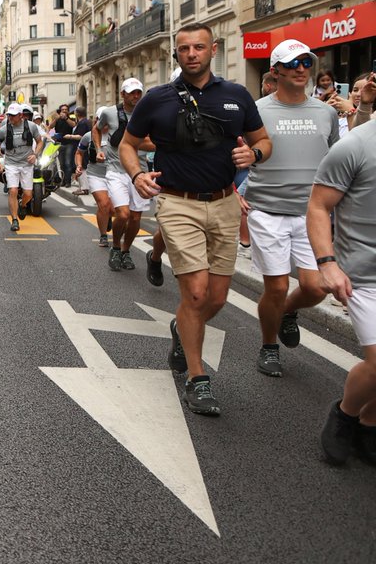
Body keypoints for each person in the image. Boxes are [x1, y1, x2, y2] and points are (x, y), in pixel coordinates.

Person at [120, 22, 271, 416]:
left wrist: (254, 155)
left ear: (213, 50)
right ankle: (196, 377)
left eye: (199, 47)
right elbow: (127, 144)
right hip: (178, 203)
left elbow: (263, 140)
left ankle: (181, 326)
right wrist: (136, 175)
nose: (191, 54)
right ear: (176, 53)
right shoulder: (157, 99)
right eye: (184, 48)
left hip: (224, 202)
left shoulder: (237, 95)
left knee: (216, 299)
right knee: (198, 294)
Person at [240, 40, 338, 380]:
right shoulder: (256, 112)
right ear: (275, 71)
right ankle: (269, 346)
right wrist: (233, 191)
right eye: (292, 63)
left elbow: (337, 161)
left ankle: (285, 313)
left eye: (306, 63)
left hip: (312, 214)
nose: (301, 69)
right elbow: (233, 153)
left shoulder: (326, 113)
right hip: (267, 211)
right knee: (277, 287)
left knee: (316, 287)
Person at [309, 111, 376, 464]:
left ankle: (369, 423)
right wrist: (327, 264)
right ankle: (346, 414)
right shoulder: (355, 145)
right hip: (365, 275)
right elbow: (319, 206)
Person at [97, 78, 154, 272]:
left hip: (140, 172)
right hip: (116, 170)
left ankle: (125, 250)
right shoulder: (109, 113)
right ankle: (115, 247)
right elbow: (96, 129)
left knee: (136, 219)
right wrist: (99, 149)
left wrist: (134, 143)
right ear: (122, 94)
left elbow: (153, 142)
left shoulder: (148, 114)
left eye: (138, 92)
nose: (136, 96)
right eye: (131, 93)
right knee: (123, 213)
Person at [0, 103, 44, 232]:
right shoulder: (4, 129)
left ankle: (23, 204)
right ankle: (14, 220)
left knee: (28, 194)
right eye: (9, 115)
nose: (10, 117)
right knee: (13, 190)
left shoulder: (31, 126)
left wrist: (35, 155)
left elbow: (40, 142)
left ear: (21, 115)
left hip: (27, 164)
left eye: (13, 115)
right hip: (11, 164)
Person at [80, 108, 113, 246]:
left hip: (114, 174)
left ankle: (108, 216)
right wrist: (79, 166)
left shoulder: (118, 134)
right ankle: (103, 235)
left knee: (112, 208)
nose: (104, 123)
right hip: (95, 175)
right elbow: (79, 152)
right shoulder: (88, 136)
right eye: (101, 120)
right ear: (97, 120)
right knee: (103, 204)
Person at [53, 104, 76, 187]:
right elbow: (50, 126)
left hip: (69, 143)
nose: (64, 111)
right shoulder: (57, 119)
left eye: (66, 109)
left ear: (68, 111)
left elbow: (73, 125)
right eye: (63, 109)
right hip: (59, 144)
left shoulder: (71, 118)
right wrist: (56, 119)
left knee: (68, 163)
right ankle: (62, 180)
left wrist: (66, 118)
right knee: (61, 164)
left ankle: (68, 181)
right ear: (60, 111)